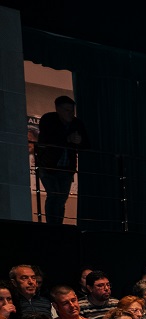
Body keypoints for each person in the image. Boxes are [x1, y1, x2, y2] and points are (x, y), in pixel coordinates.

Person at [36, 96, 88, 225]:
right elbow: (47, 139)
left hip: (66, 168)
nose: (71, 114)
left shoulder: (77, 123)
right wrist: (68, 139)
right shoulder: (48, 119)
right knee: (54, 195)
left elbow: (86, 144)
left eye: (72, 110)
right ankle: (53, 225)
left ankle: (57, 225)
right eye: (67, 110)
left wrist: (79, 141)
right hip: (48, 166)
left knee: (61, 198)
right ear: (58, 109)